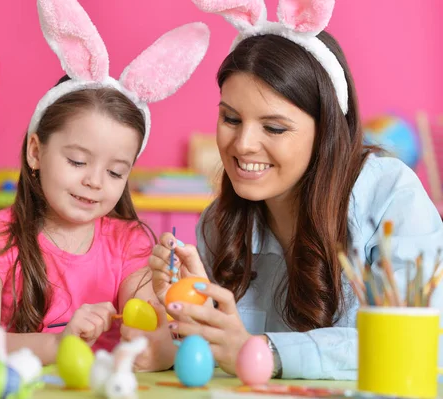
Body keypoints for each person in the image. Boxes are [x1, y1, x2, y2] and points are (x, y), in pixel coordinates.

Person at [149, 0, 443, 380]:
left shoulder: (389, 196)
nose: (243, 145)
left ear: (326, 133)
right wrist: (181, 310)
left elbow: (422, 340)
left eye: (274, 128)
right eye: (231, 118)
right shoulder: (218, 223)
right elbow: (213, 356)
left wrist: (263, 351)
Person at [0, 0, 210, 370]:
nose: (94, 182)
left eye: (115, 172)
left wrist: (164, 335)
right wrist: (57, 344)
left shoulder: (130, 243)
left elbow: (161, 342)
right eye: (77, 161)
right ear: (35, 151)